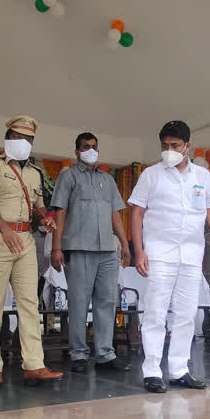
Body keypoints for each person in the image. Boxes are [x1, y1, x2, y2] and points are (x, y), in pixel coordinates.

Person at [129, 120, 210, 394]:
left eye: (175, 146)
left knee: (186, 313)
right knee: (155, 312)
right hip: (159, 252)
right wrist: (139, 251)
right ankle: (151, 370)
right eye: (164, 146)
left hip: (191, 254)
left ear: (188, 146)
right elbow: (136, 212)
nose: (169, 150)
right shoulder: (151, 174)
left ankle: (179, 368)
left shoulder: (202, 176)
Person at [0, 116, 63, 387]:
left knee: (29, 302)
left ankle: (34, 365)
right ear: (9, 139)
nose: (24, 143)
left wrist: (45, 219)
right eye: (19, 138)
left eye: (29, 140)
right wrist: (4, 228)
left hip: (25, 238)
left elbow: (37, 206)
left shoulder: (35, 172)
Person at [50, 132, 131, 373]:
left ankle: (105, 354)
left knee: (107, 301)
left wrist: (125, 245)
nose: (91, 150)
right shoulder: (68, 176)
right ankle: (78, 354)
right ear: (76, 151)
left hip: (107, 249)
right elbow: (60, 212)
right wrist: (56, 247)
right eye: (86, 147)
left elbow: (115, 213)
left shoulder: (107, 179)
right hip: (79, 248)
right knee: (78, 303)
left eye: (94, 146)